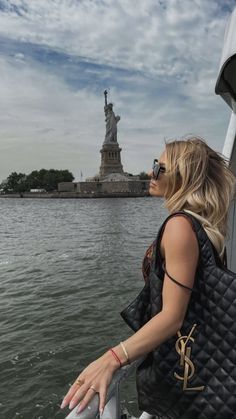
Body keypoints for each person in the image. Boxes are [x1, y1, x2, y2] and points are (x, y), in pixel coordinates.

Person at [60, 137, 236, 417]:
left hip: (189, 367)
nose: (150, 173)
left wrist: (112, 358)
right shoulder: (203, 223)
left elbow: (172, 316)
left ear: (181, 176)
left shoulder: (179, 226)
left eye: (159, 167)